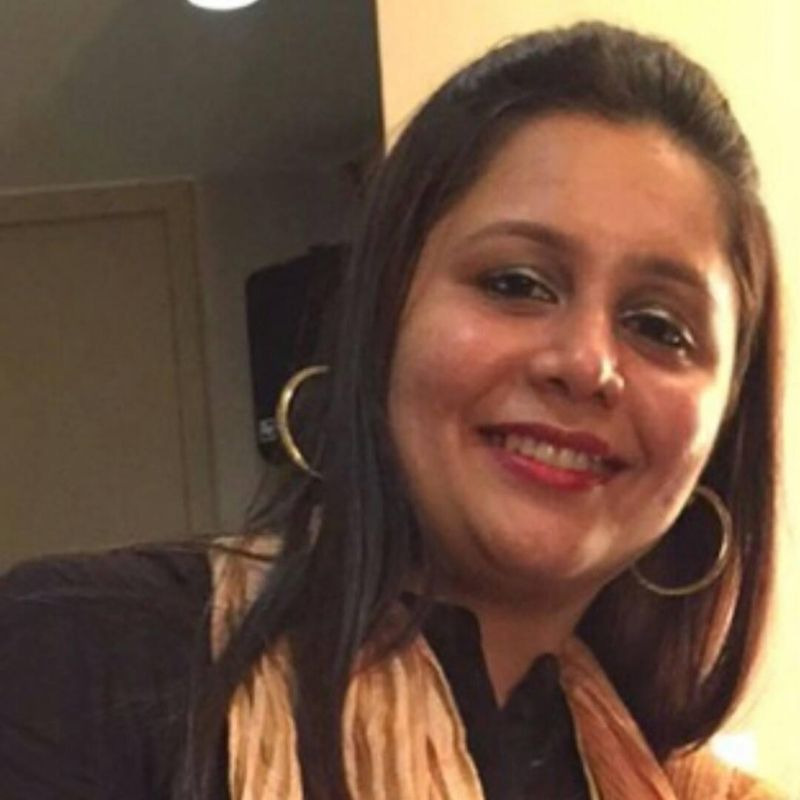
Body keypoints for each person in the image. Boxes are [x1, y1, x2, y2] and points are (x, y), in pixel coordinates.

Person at [0, 20, 785, 800]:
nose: (586, 364)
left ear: (723, 421)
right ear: (384, 314)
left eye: (660, 327)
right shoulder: (77, 658)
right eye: (516, 283)